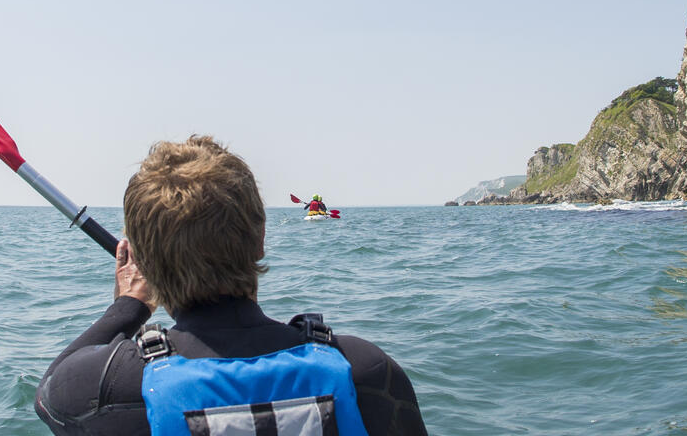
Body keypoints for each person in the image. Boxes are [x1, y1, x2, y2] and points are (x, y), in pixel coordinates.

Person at [35, 136, 427, 435]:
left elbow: (47, 396)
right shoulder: (368, 372)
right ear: (259, 237)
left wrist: (130, 305)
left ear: (143, 262)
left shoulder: (103, 387)